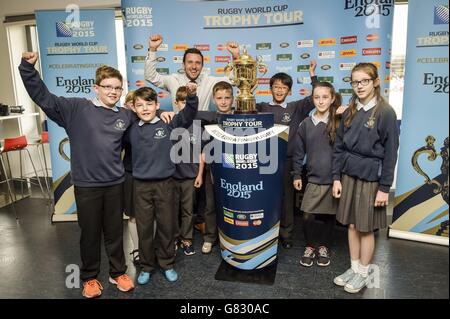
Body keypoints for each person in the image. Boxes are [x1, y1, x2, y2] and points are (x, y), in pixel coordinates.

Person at [19, 52, 135, 298]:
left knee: (115, 231)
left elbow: (138, 136)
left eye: (118, 88)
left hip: (115, 184)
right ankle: (90, 278)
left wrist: (165, 116)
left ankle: (118, 273)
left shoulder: (125, 115)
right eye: (108, 87)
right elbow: (44, 97)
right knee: (90, 234)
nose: (113, 92)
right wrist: (28, 68)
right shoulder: (76, 109)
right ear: (96, 88)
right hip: (87, 186)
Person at [332, 63, 399, 293]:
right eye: (355, 82)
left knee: (365, 227)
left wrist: (384, 188)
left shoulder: (386, 112)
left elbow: (391, 154)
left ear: (376, 82)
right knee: (351, 224)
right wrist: (336, 177)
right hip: (348, 174)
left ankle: (364, 272)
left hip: (371, 178)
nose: (359, 86)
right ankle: (353, 268)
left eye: (364, 81)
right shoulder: (349, 110)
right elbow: (339, 147)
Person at [124, 84, 198, 285]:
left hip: (166, 185)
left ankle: (167, 263)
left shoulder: (169, 123)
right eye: (140, 105)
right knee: (144, 228)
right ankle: (147, 266)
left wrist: (191, 95)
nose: (145, 108)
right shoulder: (130, 129)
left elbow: (189, 115)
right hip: (141, 186)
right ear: (134, 108)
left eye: (149, 103)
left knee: (166, 226)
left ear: (157, 105)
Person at [256, 61, 318, 249]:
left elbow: (314, 98)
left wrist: (312, 75)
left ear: (289, 91)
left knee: (286, 199)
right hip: (265, 161)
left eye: (283, 87)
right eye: (276, 87)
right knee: (265, 197)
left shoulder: (295, 108)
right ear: (270, 89)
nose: (280, 90)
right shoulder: (262, 107)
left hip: (288, 162)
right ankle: (265, 234)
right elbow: (245, 102)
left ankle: (286, 235)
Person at [292, 82, 342, 267]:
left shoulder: (338, 122)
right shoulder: (306, 123)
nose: (320, 101)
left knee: (329, 216)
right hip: (313, 178)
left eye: (325, 97)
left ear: (332, 99)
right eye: (317, 97)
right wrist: (297, 174)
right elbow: (298, 151)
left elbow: (340, 152)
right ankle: (311, 246)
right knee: (307, 215)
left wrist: (337, 178)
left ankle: (324, 247)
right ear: (312, 99)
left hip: (333, 179)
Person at [145, 34, 239, 111]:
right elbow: (151, 76)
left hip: (202, 129)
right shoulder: (173, 80)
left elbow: (234, 80)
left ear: (202, 66)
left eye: (198, 63)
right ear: (183, 65)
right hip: (179, 129)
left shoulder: (209, 81)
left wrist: (236, 56)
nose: (194, 67)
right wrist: (152, 50)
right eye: (190, 62)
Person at [198, 81, 234, 254]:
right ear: (214, 99)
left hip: (233, 171)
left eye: (227, 97)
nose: (224, 101)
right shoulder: (209, 120)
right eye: (220, 98)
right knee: (211, 205)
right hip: (212, 170)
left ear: (233, 99)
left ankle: (228, 237)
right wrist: (211, 170)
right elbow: (205, 149)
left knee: (230, 205)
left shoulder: (239, 118)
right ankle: (210, 237)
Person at [172, 86, 205, 256]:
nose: (184, 105)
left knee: (187, 210)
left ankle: (187, 239)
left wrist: (199, 174)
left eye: (187, 101)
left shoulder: (198, 126)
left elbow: (201, 153)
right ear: (176, 103)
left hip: (190, 176)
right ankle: (174, 238)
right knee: (171, 210)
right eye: (182, 101)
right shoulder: (170, 122)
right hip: (171, 176)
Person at [122, 90, 140, 265]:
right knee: (133, 215)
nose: (133, 107)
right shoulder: (121, 124)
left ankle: (150, 247)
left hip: (151, 176)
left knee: (154, 215)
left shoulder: (153, 120)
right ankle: (136, 248)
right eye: (130, 103)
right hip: (130, 173)